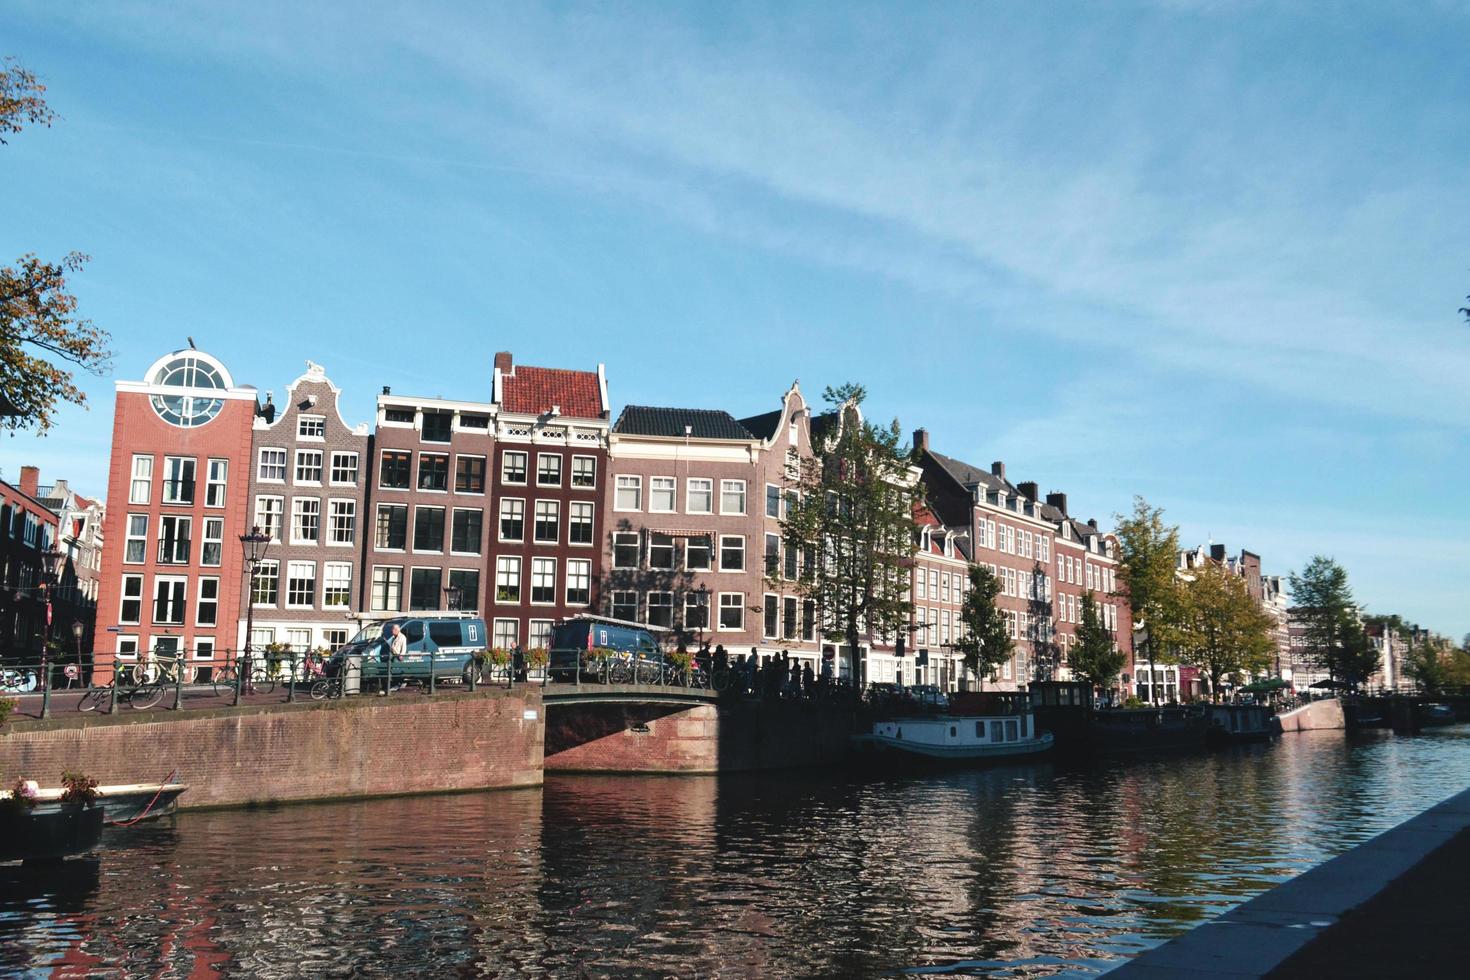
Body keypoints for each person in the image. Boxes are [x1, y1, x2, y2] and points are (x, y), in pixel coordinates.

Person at [382, 622, 406, 695]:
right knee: (391, 669)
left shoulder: (402, 637)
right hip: (393, 655)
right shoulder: (393, 637)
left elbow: (404, 647)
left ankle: (397, 684)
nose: (392, 631)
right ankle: (392, 684)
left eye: (392, 630)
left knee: (396, 670)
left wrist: (401, 655)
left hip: (397, 656)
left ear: (396, 630)